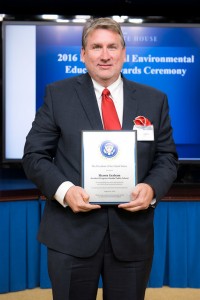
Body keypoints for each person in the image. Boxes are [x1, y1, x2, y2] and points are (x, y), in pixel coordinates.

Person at [22, 17, 178, 300]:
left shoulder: (154, 100)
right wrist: (65, 191)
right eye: (96, 47)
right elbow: (34, 156)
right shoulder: (57, 95)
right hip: (71, 236)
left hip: (131, 236)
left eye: (112, 47)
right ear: (83, 54)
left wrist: (152, 188)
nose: (105, 55)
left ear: (124, 53)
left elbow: (166, 157)